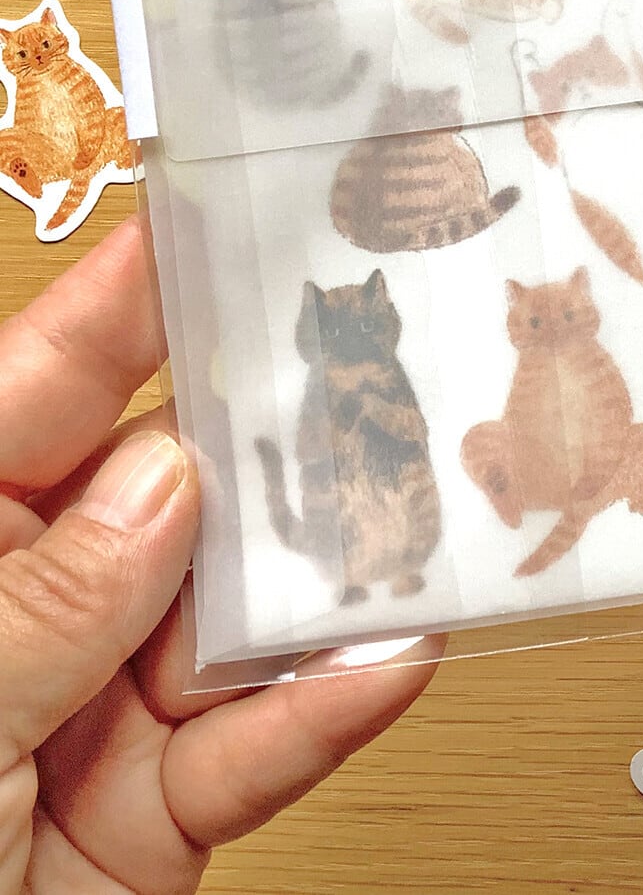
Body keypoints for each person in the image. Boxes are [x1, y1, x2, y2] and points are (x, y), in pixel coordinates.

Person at [0, 216, 443, 891]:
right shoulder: (315, 392)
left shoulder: (389, 380)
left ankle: (393, 565)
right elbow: (313, 460)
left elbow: (408, 442)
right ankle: (356, 574)